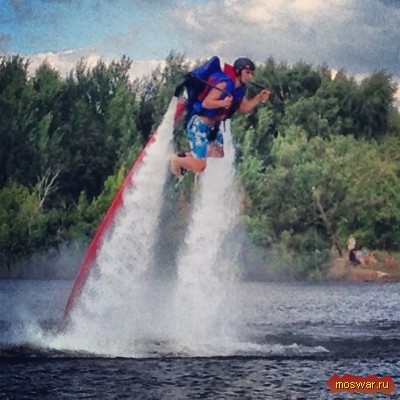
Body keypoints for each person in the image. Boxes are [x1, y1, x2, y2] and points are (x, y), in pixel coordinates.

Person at [170, 57, 270, 178]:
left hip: (213, 127)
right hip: (199, 125)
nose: (250, 77)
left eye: (252, 74)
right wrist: (223, 103)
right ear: (238, 71)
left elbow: (243, 108)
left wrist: (258, 98)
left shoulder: (239, 89)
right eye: (247, 72)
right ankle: (176, 160)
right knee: (200, 166)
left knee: (218, 152)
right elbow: (206, 103)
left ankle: (186, 157)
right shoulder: (224, 83)